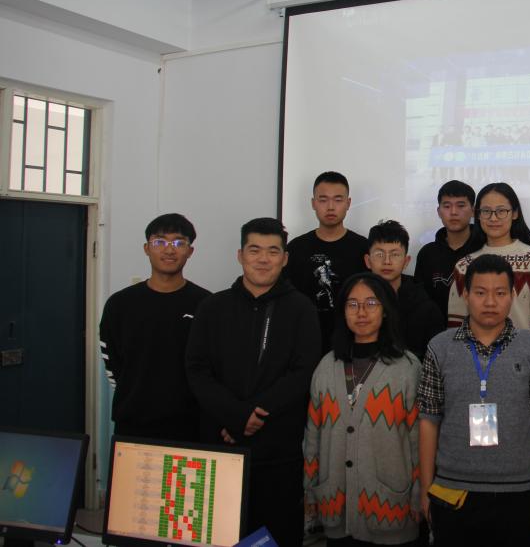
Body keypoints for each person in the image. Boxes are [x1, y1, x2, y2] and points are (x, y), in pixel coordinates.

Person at [186, 217, 320, 547]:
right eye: (254, 250)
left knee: (275, 538)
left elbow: (303, 371)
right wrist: (235, 416)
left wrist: (254, 414)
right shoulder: (212, 307)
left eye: (273, 251)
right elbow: (197, 369)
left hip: (278, 453)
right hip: (220, 448)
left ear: (285, 258)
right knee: (219, 536)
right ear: (240, 255)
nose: (263, 259)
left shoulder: (301, 308)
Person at [417, 254, 530, 547]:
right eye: (480, 293)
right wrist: (426, 487)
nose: (490, 302)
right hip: (452, 488)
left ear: (512, 295)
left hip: (518, 489)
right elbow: (429, 421)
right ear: (466, 294)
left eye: (500, 293)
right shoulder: (439, 348)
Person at [303, 273, 422, 546]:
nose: (361, 312)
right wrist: (310, 490)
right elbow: (312, 437)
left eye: (371, 303)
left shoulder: (407, 368)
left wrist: (419, 494)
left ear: (386, 310)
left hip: (391, 510)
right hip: (336, 509)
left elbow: (418, 439)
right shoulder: (326, 366)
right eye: (352, 304)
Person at [99, 213, 210, 441]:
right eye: (160, 242)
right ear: (146, 248)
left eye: (179, 243)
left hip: (191, 425)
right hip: (133, 423)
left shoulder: (206, 304)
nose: (169, 250)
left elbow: (213, 366)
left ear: (190, 251)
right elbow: (112, 363)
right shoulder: (120, 304)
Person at [446, 183, 530, 364]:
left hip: (524, 365)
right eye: (486, 211)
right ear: (478, 215)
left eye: (501, 211)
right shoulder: (464, 266)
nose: (493, 218)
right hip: (475, 366)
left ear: (514, 213)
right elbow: (456, 328)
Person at [286, 171, 370, 354]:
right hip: (303, 341)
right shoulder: (296, 248)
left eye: (338, 200)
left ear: (348, 203)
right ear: (313, 203)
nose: (330, 207)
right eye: (323, 200)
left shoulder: (363, 248)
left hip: (351, 342)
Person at [364, 219, 447, 359]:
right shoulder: (355, 304)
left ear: (406, 262)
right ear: (368, 261)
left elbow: (437, 359)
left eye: (395, 254)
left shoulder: (426, 309)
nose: (387, 261)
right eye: (379, 254)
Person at [414, 181, 482, 314]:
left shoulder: (485, 249)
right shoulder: (427, 254)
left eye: (461, 205)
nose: (453, 212)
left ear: (473, 211)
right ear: (439, 212)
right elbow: (421, 302)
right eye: (447, 206)